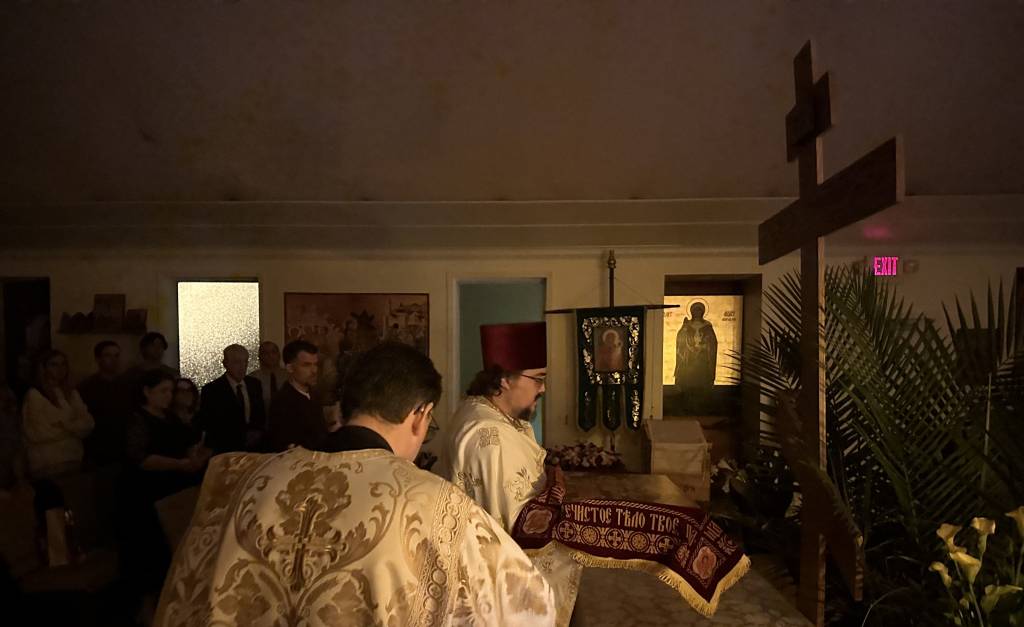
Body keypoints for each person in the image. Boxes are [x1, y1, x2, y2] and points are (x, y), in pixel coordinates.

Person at [154, 343, 556, 626]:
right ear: (420, 415)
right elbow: (529, 604)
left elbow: (185, 597)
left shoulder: (242, 479)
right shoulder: (436, 503)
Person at [439, 321, 582, 627]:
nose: (543, 389)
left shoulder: (477, 410)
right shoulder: (491, 435)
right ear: (504, 380)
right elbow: (518, 527)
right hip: (496, 589)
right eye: (538, 379)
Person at [122, 369, 210, 615]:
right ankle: (149, 609)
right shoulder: (138, 419)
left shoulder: (170, 417)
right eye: (163, 391)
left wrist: (195, 455)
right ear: (146, 392)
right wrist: (179, 464)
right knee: (151, 553)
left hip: (176, 489)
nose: (168, 396)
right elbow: (140, 458)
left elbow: (186, 443)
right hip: (148, 493)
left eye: (170, 391)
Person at [21, 350, 95, 479]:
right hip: (47, 461)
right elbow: (38, 432)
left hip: (73, 456)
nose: (60, 369)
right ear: (44, 368)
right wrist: (73, 428)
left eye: (63, 364)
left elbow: (88, 422)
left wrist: (64, 425)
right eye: (53, 365)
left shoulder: (71, 393)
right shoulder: (35, 394)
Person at [265, 340, 339, 452]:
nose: (314, 370)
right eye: (306, 365)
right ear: (290, 368)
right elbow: (286, 446)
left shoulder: (313, 395)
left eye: (315, 364)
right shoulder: (282, 402)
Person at [197, 344, 266, 453]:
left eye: (245, 362)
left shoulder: (254, 384)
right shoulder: (212, 389)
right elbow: (210, 423)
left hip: (253, 447)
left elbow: (260, 413)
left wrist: (257, 432)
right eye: (237, 362)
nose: (242, 367)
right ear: (226, 364)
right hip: (226, 448)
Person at [77, 340, 129, 467]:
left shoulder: (128, 384)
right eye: (108, 355)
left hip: (124, 445)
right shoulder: (86, 387)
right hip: (98, 446)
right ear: (98, 359)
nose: (114, 360)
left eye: (116, 355)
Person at [674, 301, 718, 391]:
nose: (697, 313)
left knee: (702, 382)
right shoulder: (687, 325)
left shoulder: (707, 326)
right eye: (695, 311)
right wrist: (684, 329)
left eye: (699, 310)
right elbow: (680, 342)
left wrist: (705, 346)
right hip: (689, 358)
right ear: (691, 312)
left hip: (703, 358)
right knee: (688, 382)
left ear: (703, 312)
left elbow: (713, 343)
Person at [248, 340, 287, 409]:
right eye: (265, 353)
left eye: (273, 352)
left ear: (279, 355)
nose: (270, 355)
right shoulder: (252, 378)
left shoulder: (289, 376)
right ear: (259, 356)